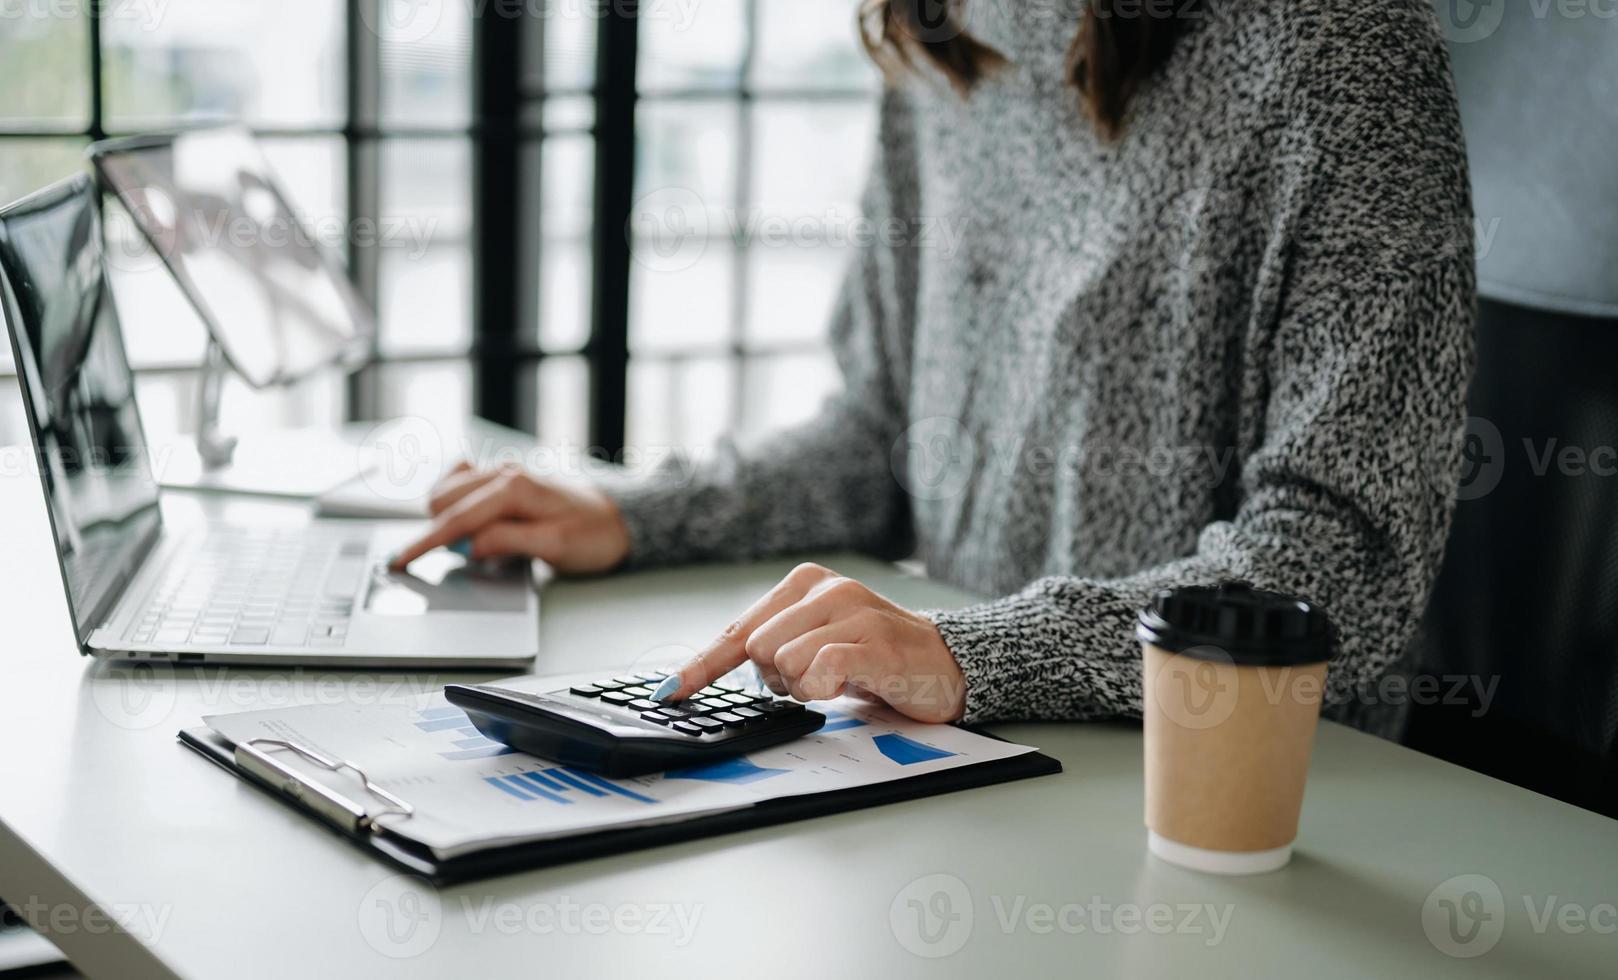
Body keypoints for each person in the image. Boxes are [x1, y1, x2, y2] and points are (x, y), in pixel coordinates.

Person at [390, 0, 1476, 733]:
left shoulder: (1341, 51)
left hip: (1218, 803)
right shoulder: (943, 33)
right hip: (965, 747)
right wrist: (638, 514)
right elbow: (875, 437)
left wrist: (979, 656)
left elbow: (1340, 565)